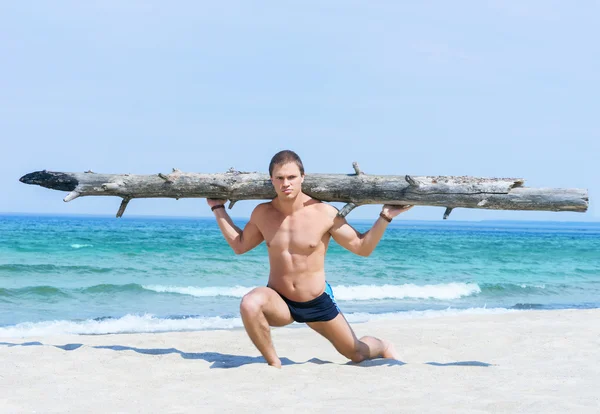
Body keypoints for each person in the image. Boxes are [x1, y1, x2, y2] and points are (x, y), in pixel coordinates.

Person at [207, 150, 413, 367]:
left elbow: (362, 247)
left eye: (291, 177)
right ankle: (274, 364)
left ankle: (384, 346)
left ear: (302, 177)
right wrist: (218, 208)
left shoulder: (324, 213)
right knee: (250, 303)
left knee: (357, 353)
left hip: (315, 301)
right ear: (272, 180)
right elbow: (240, 245)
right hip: (280, 300)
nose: (285, 183)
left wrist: (385, 216)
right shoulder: (262, 213)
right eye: (279, 178)